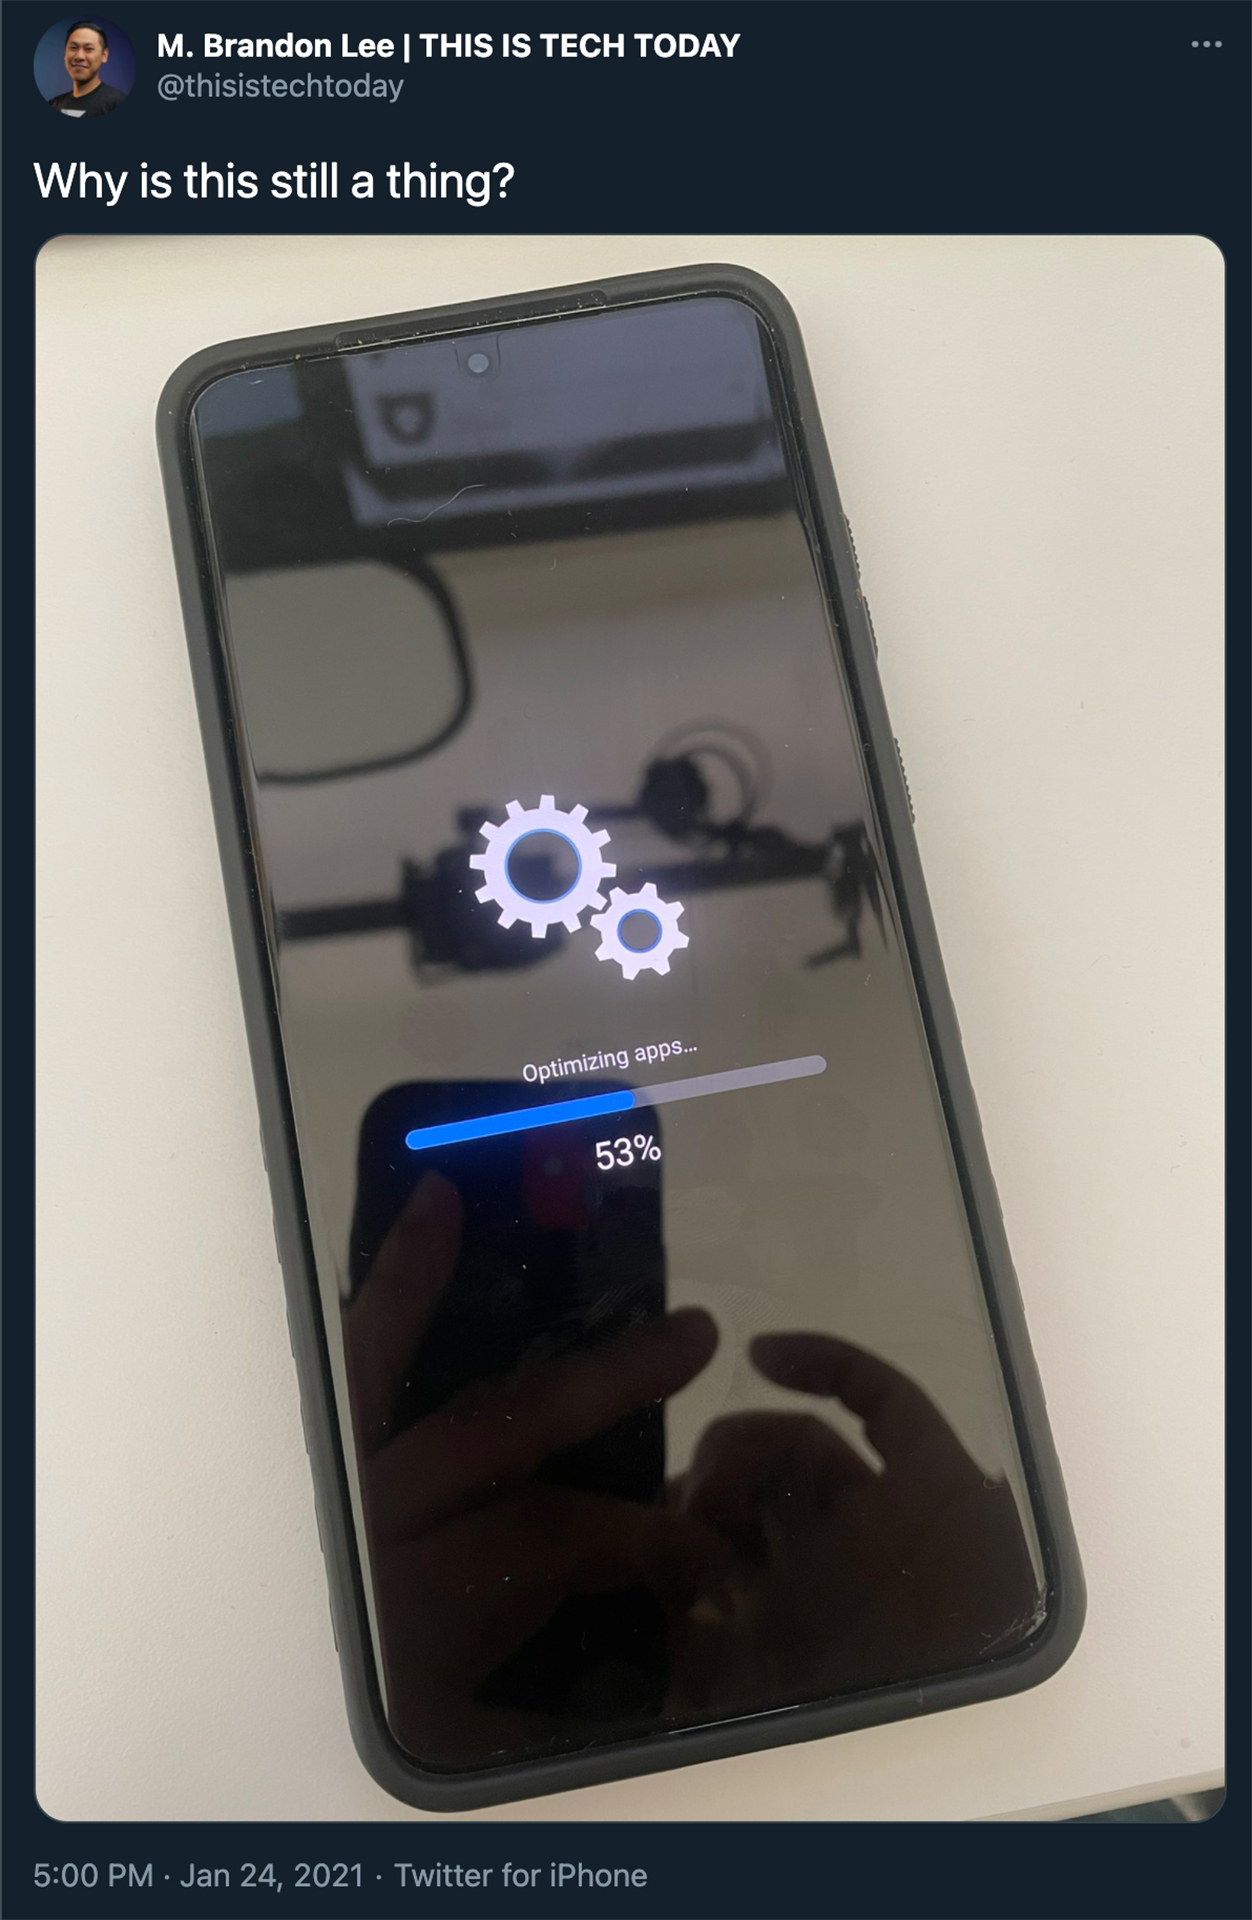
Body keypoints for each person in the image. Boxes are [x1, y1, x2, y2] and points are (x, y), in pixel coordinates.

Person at [48, 20, 127, 117]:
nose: (79, 56)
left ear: (104, 55)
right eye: (73, 48)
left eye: (89, 49)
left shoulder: (117, 103)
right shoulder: (54, 104)